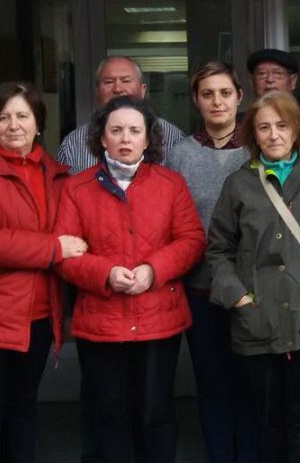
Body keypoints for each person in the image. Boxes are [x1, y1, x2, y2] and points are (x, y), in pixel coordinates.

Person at [207, 90, 300, 463]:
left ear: (297, 130)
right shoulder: (239, 184)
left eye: (282, 125)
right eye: (264, 127)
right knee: (267, 420)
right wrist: (241, 300)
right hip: (256, 322)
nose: (274, 134)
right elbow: (218, 250)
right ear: (253, 135)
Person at [54, 96, 205, 463]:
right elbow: (64, 254)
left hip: (158, 318)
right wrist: (105, 273)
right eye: (116, 130)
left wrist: (154, 270)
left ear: (148, 139)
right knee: (109, 414)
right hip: (102, 321)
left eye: (135, 130)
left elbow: (192, 240)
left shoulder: (171, 184)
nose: (125, 137)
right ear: (101, 139)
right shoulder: (76, 188)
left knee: (155, 412)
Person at [0, 81, 79, 462]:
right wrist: (53, 249)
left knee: (24, 409)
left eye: (23, 116)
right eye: (3, 118)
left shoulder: (57, 174)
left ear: (38, 123)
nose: (14, 125)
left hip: (39, 314)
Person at [165, 61, 256, 463]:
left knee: (251, 384)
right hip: (200, 290)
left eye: (224, 93)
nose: (217, 101)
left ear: (239, 97)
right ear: (196, 101)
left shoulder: (259, 148)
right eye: (207, 94)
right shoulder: (180, 155)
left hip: (253, 289)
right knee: (212, 383)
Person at [57, 55, 185, 173]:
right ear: (97, 92)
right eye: (108, 82)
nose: (117, 89)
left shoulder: (173, 137)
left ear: (143, 90)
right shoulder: (73, 144)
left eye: (126, 80)